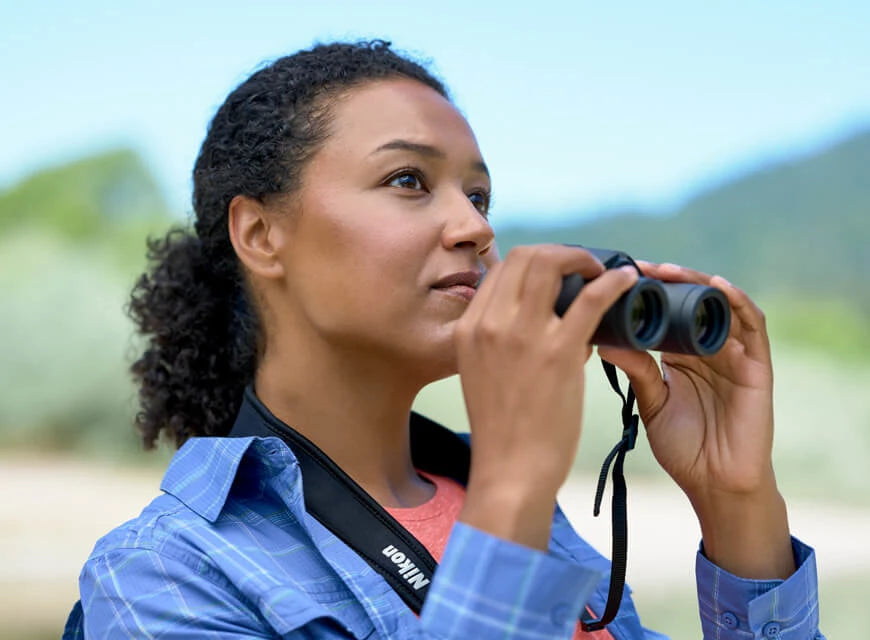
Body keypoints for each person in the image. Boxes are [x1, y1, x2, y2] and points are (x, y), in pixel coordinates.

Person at [63, 40, 823, 639]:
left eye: (479, 194)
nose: (476, 227)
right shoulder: (165, 577)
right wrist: (516, 484)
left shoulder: (506, 507)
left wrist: (736, 502)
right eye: (407, 181)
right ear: (261, 234)